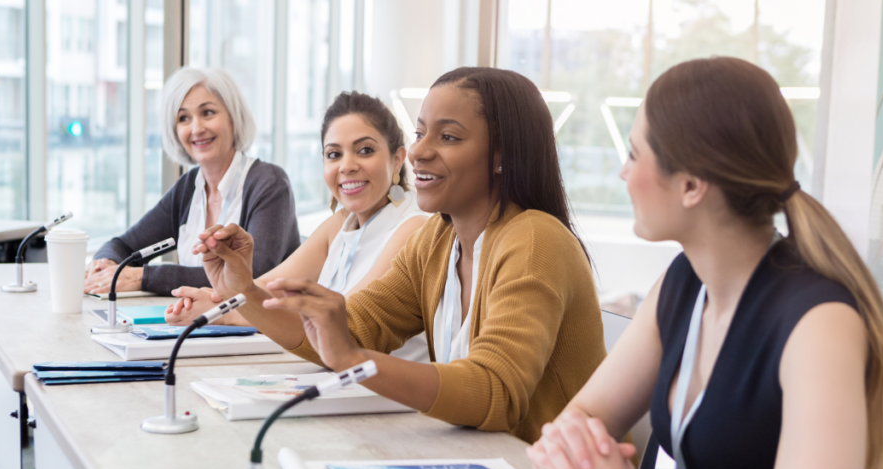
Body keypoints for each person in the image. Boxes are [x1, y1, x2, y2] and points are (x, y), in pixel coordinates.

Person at [526, 57, 883, 469]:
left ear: (690, 185)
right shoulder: (683, 282)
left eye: (633, 154)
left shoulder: (820, 322)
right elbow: (583, 420)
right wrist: (570, 452)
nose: (623, 174)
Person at [190, 67, 606, 443]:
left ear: (502, 155)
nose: (421, 150)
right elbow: (349, 331)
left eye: (448, 137)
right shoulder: (437, 241)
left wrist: (356, 360)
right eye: (421, 132)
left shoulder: (534, 241)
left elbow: (495, 393)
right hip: (481, 463)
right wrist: (245, 288)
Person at [165, 91, 431, 363]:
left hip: (389, 397)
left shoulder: (413, 228)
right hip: (341, 384)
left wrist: (224, 311)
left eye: (365, 150)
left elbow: (343, 325)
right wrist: (216, 298)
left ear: (398, 158)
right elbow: (270, 288)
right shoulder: (341, 223)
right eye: (334, 154)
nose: (347, 166)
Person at [84, 67, 300, 296]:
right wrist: (104, 265)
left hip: (260, 330)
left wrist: (143, 277)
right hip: (202, 324)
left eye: (208, 113)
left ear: (233, 117)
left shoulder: (270, 184)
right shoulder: (188, 188)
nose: (196, 128)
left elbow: (252, 275)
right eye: (183, 118)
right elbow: (123, 246)